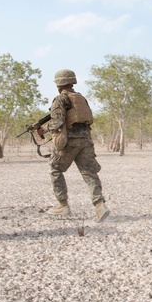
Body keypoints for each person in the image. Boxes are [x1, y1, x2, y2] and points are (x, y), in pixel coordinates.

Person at [37, 69, 110, 222]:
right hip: (86, 141)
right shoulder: (81, 99)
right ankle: (99, 205)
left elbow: (57, 122)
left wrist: (43, 129)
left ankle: (62, 205)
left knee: (55, 169)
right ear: (72, 82)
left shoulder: (60, 99)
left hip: (69, 142)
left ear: (58, 84)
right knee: (89, 173)